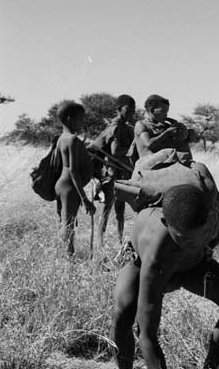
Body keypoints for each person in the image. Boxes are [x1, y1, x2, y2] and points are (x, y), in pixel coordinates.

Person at [111, 181, 219, 369]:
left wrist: (196, 249)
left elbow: (198, 241)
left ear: (212, 218)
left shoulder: (212, 218)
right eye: (183, 239)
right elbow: (147, 335)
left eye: (198, 238)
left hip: (192, 266)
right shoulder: (155, 255)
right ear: (166, 224)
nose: (191, 244)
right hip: (143, 263)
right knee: (124, 313)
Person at [89, 95, 136, 246]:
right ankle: (100, 243)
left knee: (120, 209)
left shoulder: (128, 128)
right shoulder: (115, 128)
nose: (131, 113)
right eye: (128, 110)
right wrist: (131, 150)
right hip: (112, 173)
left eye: (133, 111)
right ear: (118, 109)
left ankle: (120, 240)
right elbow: (115, 152)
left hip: (123, 173)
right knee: (107, 209)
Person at [54, 101, 95, 256]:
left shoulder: (62, 138)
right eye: (81, 119)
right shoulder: (72, 139)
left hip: (61, 186)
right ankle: (68, 261)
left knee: (65, 222)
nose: (82, 123)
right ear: (70, 119)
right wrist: (84, 199)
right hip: (69, 188)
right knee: (68, 225)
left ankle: (65, 256)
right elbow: (72, 170)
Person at [131, 94, 193, 163]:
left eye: (167, 112)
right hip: (148, 164)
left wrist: (185, 133)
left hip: (164, 162)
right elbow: (149, 144)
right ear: (151, 110)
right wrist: (166, 133)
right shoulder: (141, 125)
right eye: (163, 112)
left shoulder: (164, 126)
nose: (166, 115)